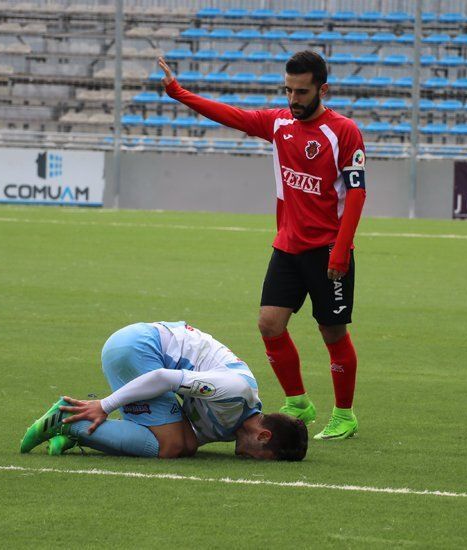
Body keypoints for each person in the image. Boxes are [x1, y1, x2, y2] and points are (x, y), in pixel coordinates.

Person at [156, 50, 367, 440]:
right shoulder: (278, 123)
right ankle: (299, 401)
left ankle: (345, 414)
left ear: (323, 89)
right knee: (269, 325)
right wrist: (178, 93)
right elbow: (231, 115)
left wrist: (341, 251)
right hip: (287, 247)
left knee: (333, 333)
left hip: (327, 251)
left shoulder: (344, 131)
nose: (293, 100)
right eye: (287, 90)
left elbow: (356, 195)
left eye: (301, 92)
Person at [19, 322, 307, 461]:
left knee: (184, 445)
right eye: (265, 458)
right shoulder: (236, 392)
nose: (255, 461)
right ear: (263, 436)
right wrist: (105, 405)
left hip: (139, 348)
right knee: (170, 446)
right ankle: (70, 422)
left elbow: (187, 441)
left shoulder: (229, 427)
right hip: (139, 347)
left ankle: (69, 435)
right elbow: (163, 377)